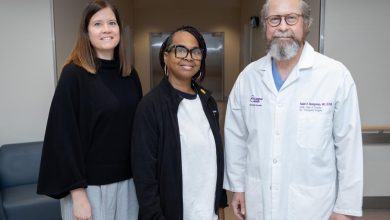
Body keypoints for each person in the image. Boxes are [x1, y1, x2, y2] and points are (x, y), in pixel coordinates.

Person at [223, 0, 363, 219]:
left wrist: (345, 208)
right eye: (274, 19)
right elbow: (236, 137)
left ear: (305, 24)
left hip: (314, 207)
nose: (282, 27)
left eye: (291, 18)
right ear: (266, 28)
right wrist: (238, 187)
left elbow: (349, 147)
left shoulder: (335, 76)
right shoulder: (248, 77)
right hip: (259, 200)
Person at [37, 1, 142, 219]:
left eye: (112, 23)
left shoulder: (130, 76)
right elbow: (63, 137)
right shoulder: (73, 75)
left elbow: (137, 132)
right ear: (86, 32)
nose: (106, 29)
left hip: (128, 185)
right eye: (97, 24)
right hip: (88, 189)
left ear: (119, 30)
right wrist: (78, 194)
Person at [131, 25, 227, 220]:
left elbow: (215, 161)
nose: (189, 57)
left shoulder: (207, 102)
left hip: (208, 213)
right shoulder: (151, 106)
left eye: (196, 51)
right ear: (166, 56)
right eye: (180, 50)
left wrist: (220, 205)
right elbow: (144, 177)